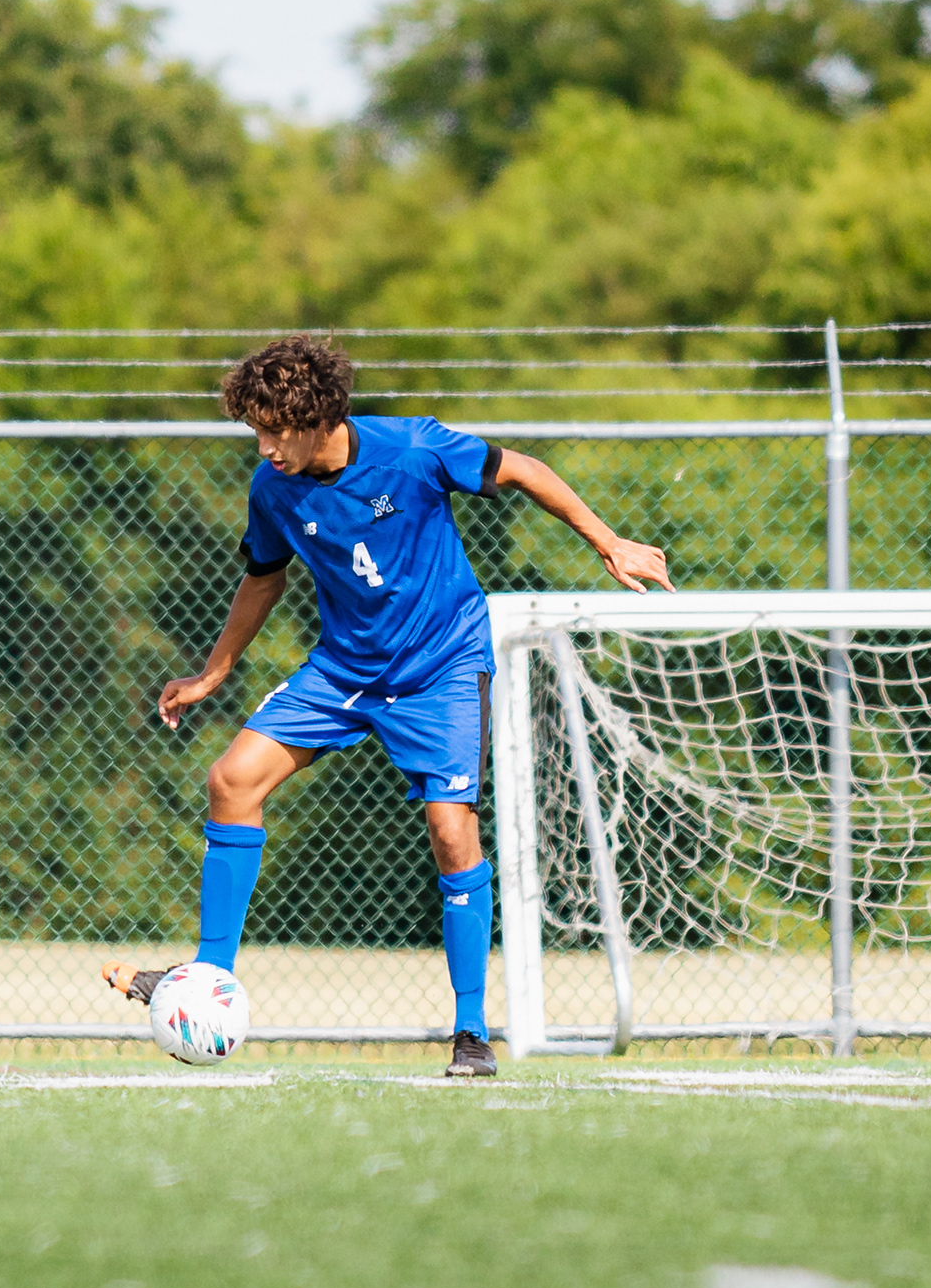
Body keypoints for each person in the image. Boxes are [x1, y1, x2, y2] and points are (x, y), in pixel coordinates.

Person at [104, 335, 673, 1076]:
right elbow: (264, 578)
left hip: (442, 667)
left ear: (318, 417)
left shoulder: (413, 449)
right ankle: (209, 980)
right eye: (256, 433)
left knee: (450, 830)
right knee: (232, 780)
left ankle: (471, 1031)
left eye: (276, 431)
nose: (265, 448)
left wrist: (607, 542)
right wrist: (213, 674)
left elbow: (523, 470)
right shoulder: (273, 488)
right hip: (344, 669)